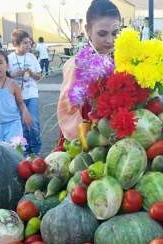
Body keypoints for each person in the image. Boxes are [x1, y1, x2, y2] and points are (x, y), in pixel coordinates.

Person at [57, 0, 121, 146]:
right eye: (102, 34)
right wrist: (90, 140)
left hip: (119, 136)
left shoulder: (123, 61)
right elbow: (67, 111)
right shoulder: (77, 65)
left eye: (115, 33)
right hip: (87, 139)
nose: (110, 40)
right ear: (87, 30)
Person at [0, 49, 32, 142]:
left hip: (13, 125)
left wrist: (25, 111)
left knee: (13, 153)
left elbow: (20, 103)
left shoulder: (13, 84)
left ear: (7, 65)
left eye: (0, 62)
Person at [8, 29, 42, 154]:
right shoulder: (9, 58)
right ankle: (26, 151)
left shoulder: (32, 57)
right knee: (22, 125)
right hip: (16, 96)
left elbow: (39, 76)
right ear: (16, 43)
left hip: (31, 94)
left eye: (29, 43)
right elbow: (5, 79)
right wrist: (13, 74)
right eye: (25, 43)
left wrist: (31, 73)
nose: (29, 45)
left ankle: (36, 151)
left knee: (33, 123)